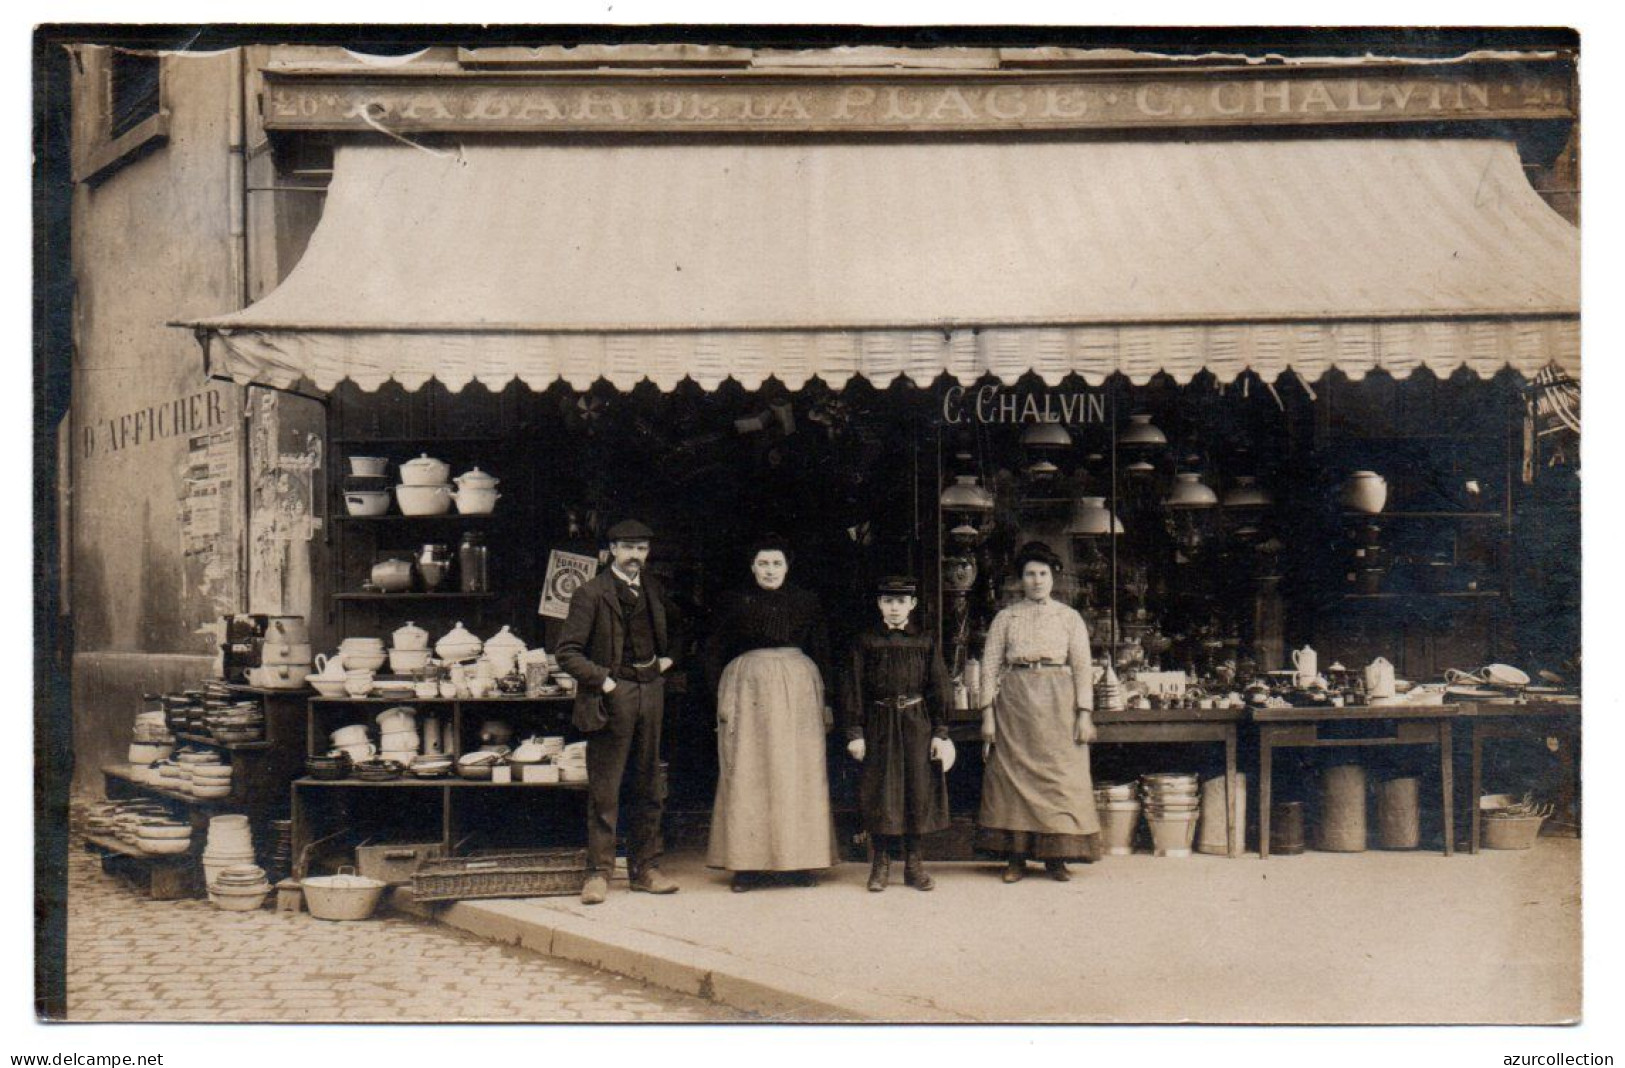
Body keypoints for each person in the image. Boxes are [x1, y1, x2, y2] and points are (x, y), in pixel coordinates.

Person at [555, 519, 683, 905]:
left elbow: (680, 627)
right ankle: (599, 873)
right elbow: (567, 652)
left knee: (649, 784)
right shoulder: (590, 593)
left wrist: (667, 661)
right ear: (612, 550)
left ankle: (646, 869)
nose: (635, 557)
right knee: (606, 789)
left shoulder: (654, 590)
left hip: (651, 692)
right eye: (628, 548)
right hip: (613, 695)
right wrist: (605, 681)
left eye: (642, 549)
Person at [704, 536, 837, 891]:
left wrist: (828, 702)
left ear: (787, 567)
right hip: (748, 690)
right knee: (749, 771)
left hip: (798, 689)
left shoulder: (807, 601)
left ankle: (800, 862)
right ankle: (746, 865)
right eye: (763, 564)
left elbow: (823, 650)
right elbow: (713, 649)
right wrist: (718, 699)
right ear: (752, 567)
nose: (770, 570)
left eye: (776, 563)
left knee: (797, 773)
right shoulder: (733, 601)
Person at [975, 541, 1101, 883]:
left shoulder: (1069, 618)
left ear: (1053, 577)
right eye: (1030, 574)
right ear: (1021, 579)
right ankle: (1015, 858)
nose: (1036, 580)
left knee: (1060, 777)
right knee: (1012, 779)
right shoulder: (1006, 617)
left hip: (1059, 701)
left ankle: (1056, 858)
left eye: (1043, 573)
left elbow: (1082, 667)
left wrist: (1084, 713)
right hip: (1015, 703)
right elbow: (988, 668)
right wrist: (987, 713)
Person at [841, 576, 955, 892]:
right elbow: (853, 687)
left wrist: (940, 732)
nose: (894, 608)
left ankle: (914, 864)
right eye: (888, 601)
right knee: (881, 790)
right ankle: (881, 864)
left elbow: (939, 688)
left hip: (917, 723)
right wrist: (855, 732)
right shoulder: (865, 641)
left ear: (912, 605)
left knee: (917, 790)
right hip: (878, 723)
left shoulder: (925, 641)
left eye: (901, 602)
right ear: (879, 604)